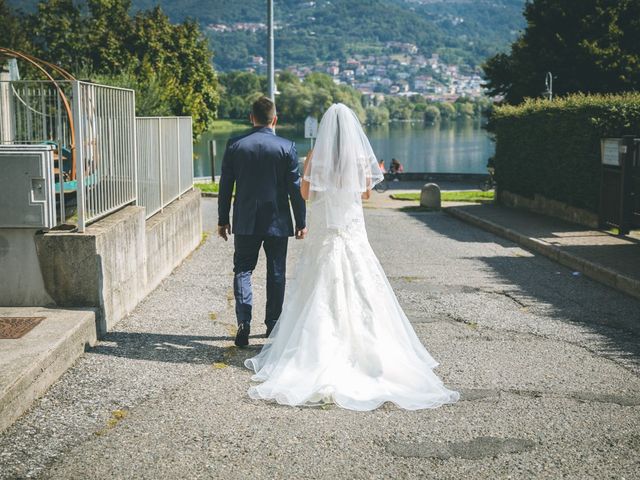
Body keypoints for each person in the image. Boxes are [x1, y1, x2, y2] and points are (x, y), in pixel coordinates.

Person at [244, 103, 459, 411]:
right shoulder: (358, 159)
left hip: (326, 234)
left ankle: (315, 353)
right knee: (364, 289)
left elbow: (305, 194)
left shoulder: (315, 156)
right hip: (351, 232)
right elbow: (366, 194)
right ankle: (370, 353)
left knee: (319, 289)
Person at [217, 96, 307, 347]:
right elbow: (295, 188)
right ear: (274, 119)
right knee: (276, 273)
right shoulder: (287, 147)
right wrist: (301, 221)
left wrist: (223, 219)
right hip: (277, 221)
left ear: (251, 118)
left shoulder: (235, 145)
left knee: (243, 269)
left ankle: (244, 321)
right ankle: (273, 327)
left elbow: (226, 186)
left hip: (245, 221)